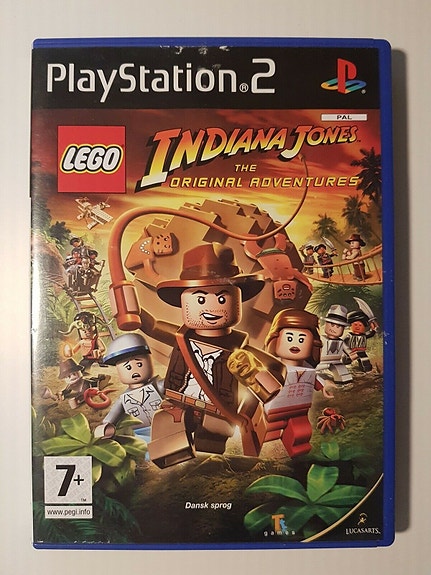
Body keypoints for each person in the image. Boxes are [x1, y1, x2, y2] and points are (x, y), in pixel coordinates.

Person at [136, 242, 286, 468]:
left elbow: (276, 369)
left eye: (222, 299)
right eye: (201, 299)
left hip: (218, 410)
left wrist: (255, 382)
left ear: (236, 300)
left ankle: (206, 470)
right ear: (184, 301)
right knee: (167, 437)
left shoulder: (238, 350)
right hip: (178, 403)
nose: (211, 308)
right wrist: (128, 307)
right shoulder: (181, 338)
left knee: (211, 451)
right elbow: (152, 325)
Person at [263, 308, 333, 457]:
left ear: (313, 344)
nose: (295, 344)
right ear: (275, 340)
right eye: (289, 338)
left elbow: (315, 379)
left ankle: (297, 455)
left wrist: (323, 387)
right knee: (267, 432)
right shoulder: (274, 368)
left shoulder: (308, 368)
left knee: (301, 434)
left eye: (302, 340)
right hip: (275, 409)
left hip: (300, 408)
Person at [94, 333, 164, 446]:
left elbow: (174, 383)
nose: (134, 371)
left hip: (166, 428)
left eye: (139, 364)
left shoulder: (157, 386)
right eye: (128, 367)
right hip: (142, 435)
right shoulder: (123, 399)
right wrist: (106, 426)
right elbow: (110, 418)